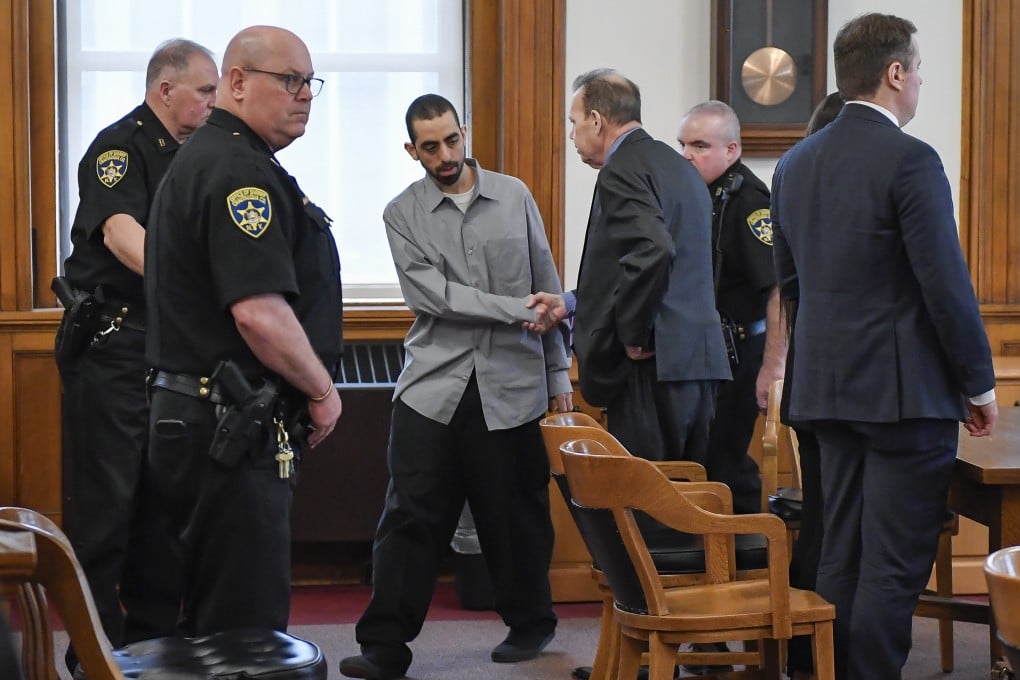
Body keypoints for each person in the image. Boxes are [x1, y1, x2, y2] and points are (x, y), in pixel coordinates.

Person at [771, 14, 997, 679]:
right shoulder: (910, 158)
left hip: (826, 393)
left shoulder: (794, 163)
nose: (920, 81)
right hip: (904, 400)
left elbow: (792, 288)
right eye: (919, 69)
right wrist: (979, 386)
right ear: (895, 73)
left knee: (841, 554)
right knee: (893, 568)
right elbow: (944, 285)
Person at [338, 94, 572, 680]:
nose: (444, 155)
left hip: (513, 383)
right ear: (411, 149)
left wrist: (558, 374)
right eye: (430, 146)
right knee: (411, 516)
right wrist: (517, 309)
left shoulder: (514, 195)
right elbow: (433, 297)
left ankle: (529, 626)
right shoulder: (402, 213)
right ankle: (384, 646)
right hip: (432, 387)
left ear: (464, 132)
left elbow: (547, 286)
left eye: (451, 140)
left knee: (515, 512)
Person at [144, 25, 343, 637]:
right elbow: (257, 311)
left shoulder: (221, 158)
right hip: (225, 423)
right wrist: (321, 390)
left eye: (311, 82)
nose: (304, 94)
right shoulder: (238, 174)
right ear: (236, 82)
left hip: (206, 415)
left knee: (215, 615)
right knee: (243, 629)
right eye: (289, 80)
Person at [56, 38, 217, 669]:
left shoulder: (199, 154)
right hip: (115, 349)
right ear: (165, 88)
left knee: (166, 504)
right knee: (109, 508)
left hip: (169, 350)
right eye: (204, 90)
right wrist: (197, 290)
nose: (212, 101)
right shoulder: (119, 147)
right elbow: (124, 234)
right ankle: (94, 652)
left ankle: (154, 643)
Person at [534, 69, 730, 468]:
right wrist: (574, 302)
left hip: (652, 367)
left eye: (573, 123)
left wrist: (633, 332)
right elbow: (662, 265)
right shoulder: (680, 168)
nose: (572, 135)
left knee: (650, 512)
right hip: (698, 361)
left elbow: (653, 251)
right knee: (688, 502)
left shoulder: (621, 169)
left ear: (596, 120)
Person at [677, 100, 785, 516]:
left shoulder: (748, 201)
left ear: (732, 150)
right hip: (712, 353)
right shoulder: (702, 194)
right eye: (683, 144)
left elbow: (778, 289)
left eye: (701, 145)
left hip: (744, 354)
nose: (687, 155)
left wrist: (772, 369)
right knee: (704, 460)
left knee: (725, 463)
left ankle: (748, 560)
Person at [783, 91, 844, 680]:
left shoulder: (792, 180)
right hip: (847, 389)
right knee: (836, 525)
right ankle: (824, 648)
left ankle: (806, 650)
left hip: (807, 383)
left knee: (822, 519)